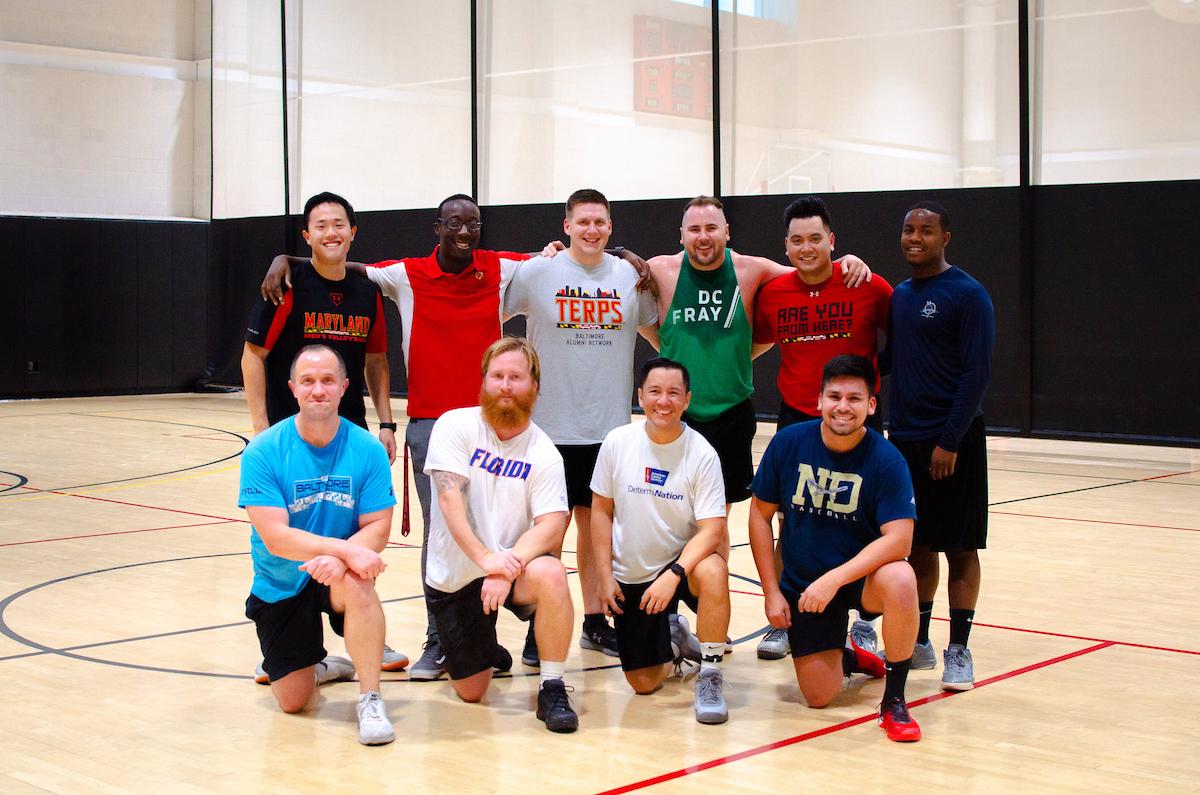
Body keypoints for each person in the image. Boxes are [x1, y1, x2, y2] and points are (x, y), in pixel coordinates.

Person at [259, 194, 535, 681]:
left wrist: (622, 255)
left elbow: (560, 255)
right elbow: (341, 262)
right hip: (431, 424)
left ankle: (484, 639)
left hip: (490, 424)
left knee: (499, 526)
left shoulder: (500, 267)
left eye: (472, 224)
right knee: (442, 532)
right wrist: (288, 259)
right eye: (454, 223)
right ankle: (440, 639)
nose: (464, 232)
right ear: (437, 227)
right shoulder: (406, 274)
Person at [242, 192, 407, 678]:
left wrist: (385, 422)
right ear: (307, 235)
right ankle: (290, 641)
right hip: (291, 433)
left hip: (347, 431)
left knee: (353, 531)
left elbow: (376, 360)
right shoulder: (286, 285)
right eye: (321, 225)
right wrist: (260, 429)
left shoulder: (367, 292)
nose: (331, 233)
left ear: (353, 232)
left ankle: (361, 628)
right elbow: (253, 356)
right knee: (289, 535)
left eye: (339, 224)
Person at [504, 188, 658, 662]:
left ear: (610, 227)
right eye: (583, 222)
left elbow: (654, 329)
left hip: (608, 429)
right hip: (548, 428)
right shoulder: (538, 272)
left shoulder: (629, 277)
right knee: (549, 530)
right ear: (566, 226)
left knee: (596, 532)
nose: (592, 230)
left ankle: (595, 622)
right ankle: (539, 626)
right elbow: (492, 308)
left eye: (600, 222)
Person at [641, 196, 871, 513]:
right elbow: (615, 272)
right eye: (694, 229)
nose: (703, 236)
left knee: (717, 511)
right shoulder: (658, 269)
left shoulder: (752, 268)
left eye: (711, 228)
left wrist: (847, 260)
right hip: (676, 412)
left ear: (727, 231)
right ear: (682, 235)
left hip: (731, 412)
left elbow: (811, 270)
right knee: (669, 507)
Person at [748, 354, 922, 743]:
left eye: (854, 398)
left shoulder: (887, 459)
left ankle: (894, 700)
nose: (843, 407)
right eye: (835, 396)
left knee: (901, 576)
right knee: (818, 697)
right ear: (819, 401)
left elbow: (900, 539)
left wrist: (835, 579)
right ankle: (849, 656)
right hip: (805, 585)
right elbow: (759, 516)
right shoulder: (789, 443)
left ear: (871, 405)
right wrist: (772, 592)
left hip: (860, 579)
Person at [751, 195, 894, 661]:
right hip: (798, 418)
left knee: (863, 519)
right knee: (788, 521)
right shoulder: (774, 293)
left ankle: (864, 621)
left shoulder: (866, 283)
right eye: (797, 240)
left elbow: (903, 335)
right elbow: (754, 341)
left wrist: (873, 376)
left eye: (815, 238)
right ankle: (784, 615)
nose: (807, 247)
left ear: (832, 240)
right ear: (786, 247)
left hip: (854, 421)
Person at [238, 345, 398, 746]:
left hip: (338, 575)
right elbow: (276, 537)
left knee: (360, 582)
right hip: (283, 580)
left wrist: (340, 561)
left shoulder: (367, 449)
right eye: (307, 381)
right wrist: (340, 551)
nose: (318, 390)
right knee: (293, 701)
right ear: (292, 388)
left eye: (328, 380)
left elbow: (378, 526)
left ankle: (371, 699)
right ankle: (319, 667)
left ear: (344, 387)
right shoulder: (263, 451)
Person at [422, 336, 578, 733]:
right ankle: (486, 648)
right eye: (497, 376)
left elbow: (552, 524)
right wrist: (486, 560)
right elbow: (450, 499)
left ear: (534, 386)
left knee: (552, 573)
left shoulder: (544, 453)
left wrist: (506, 567)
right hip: (458, 576)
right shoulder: (455, 425)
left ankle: (552, 686)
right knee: (472, 691)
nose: (505, 386)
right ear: (484, 382)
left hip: (509, 570)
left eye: (516, 377)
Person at [884, 201, 995, 691]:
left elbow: (976, 375)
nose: (915, 238)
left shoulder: (968, 294)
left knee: (960, 546)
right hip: (906, 439)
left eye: (926, 231)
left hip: (954, 442)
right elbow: (892, 359)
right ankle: (921, 640)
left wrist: (949, 440)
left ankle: (960, 649)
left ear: (945, 238)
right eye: (909, 230)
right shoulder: (901, 295)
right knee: (918, 545)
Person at [591, 357, 731, 724]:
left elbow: (712, 529)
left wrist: (675, 573)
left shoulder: (702, 453)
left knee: (713, 570)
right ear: (640, 396)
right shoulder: (617, 442)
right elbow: (601, 511)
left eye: (673, 393)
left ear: (687, 399)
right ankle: (674, 639)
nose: (663, 401)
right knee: (644, 683)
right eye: (655, 392)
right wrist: (604, 576)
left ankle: (711, 672)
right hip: (635, 571)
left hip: (684, 565)